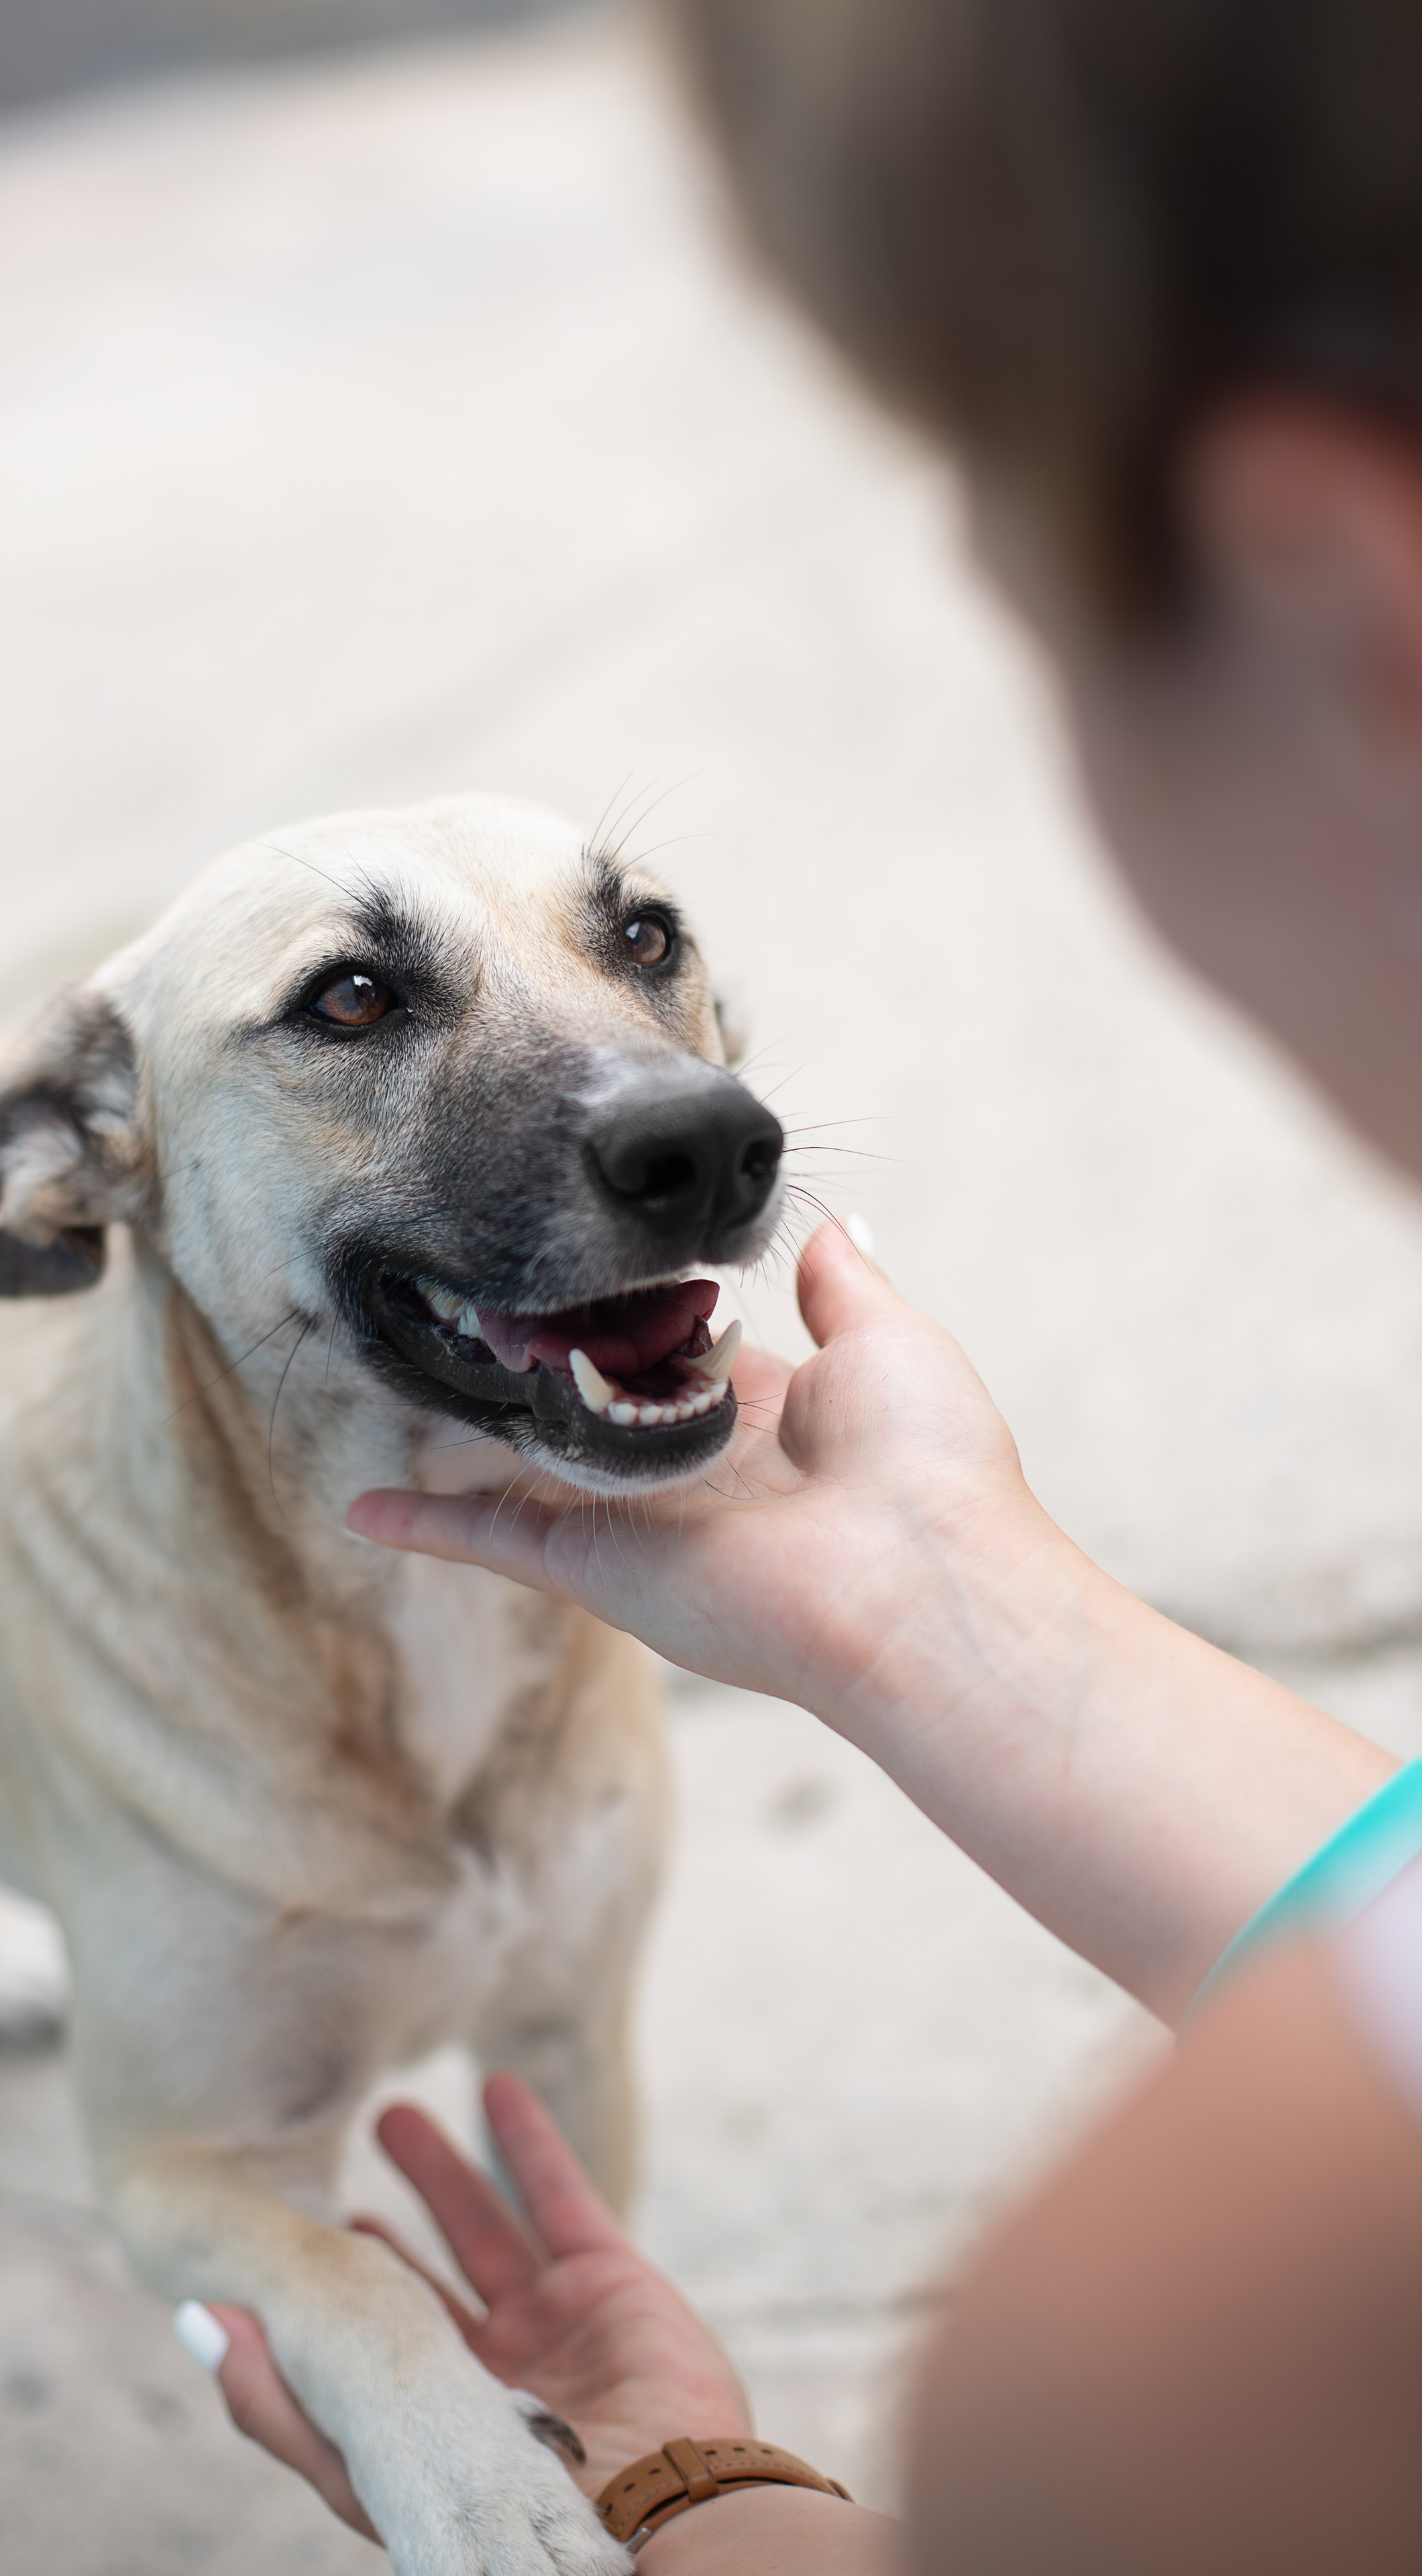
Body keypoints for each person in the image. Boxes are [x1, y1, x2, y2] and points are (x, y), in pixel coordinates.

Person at [174, 1, 1422, 2564]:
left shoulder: (1224, 2337)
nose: (673, 1099)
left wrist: (682, 2499)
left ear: (1347, 608)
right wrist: (953, 1610)